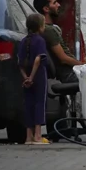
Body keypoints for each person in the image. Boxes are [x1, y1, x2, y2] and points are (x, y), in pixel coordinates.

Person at [18, 14, 49, 145]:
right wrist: (32, 77)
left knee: (28, 104)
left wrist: (26, 77)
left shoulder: (23, 41)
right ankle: (38, 135)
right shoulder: (40, 41)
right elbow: (38, 59)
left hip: (26, 77)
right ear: (40, 27)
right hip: (39, 75)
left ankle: (28, 137)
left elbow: (20, 62)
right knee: (39, 103)